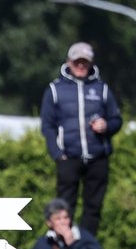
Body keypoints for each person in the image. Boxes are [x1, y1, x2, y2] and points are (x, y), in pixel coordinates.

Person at [40, 42, 123, 236]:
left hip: (97, 157)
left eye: (84, 63)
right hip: (68, 157)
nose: (80, 66)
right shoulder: (55, 89)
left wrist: (106, 126)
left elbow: (116, 119)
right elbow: (47, 125)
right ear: (69, 62)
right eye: (77, 62)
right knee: (64, 207)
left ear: (90, 64)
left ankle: (85, 248)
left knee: (93, 207)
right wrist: (57, 153)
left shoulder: (102, 88)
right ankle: (63, 247)